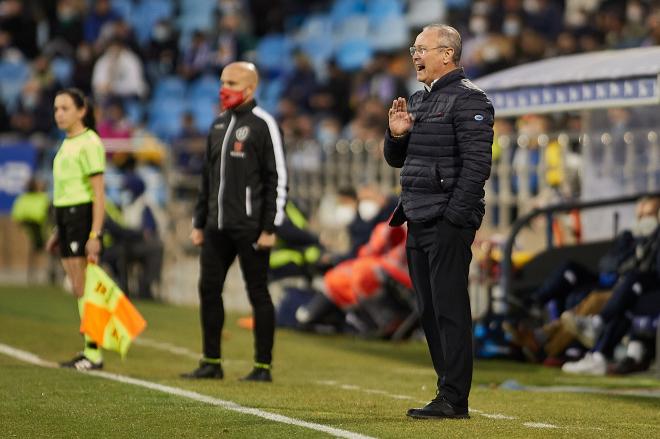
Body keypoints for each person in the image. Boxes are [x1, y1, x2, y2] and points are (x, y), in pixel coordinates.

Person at [384, 24, 493, 419]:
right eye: (414, 48)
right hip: (417, 214)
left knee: (449, 308)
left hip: (446, 219)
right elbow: (399, 159)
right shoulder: (417, 99)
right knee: (428, 309)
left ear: (447, 54)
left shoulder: (470, 100)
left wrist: (454, 217)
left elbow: (478, 165)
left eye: (422, 49)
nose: (415, 55)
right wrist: (397, 137)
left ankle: (454, 398)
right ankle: (444, 392)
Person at [182, 61, 287, 382]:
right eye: (222, 80)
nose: (223, 87)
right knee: (209, 289)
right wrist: (199, 222)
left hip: (252, 227)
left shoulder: (263, 124)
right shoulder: (216, 124)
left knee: (258, 293)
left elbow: (277, 178)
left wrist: (270, 227)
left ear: (250, 88)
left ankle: (262, 367)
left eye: (231, 82)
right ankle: (211, 362)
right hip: (216, 227)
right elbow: (207, 179)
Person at [45, 88, 106, 370]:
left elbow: (98, 194)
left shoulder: (90, 142)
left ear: (81, 111)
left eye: (65, 108)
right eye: (56, 109)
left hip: (81, 215)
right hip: (65, 216)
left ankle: (93, 352)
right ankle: (89, 350)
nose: (59, 114)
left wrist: (95, 234)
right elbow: (64, 189)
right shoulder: (66, 143)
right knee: (77, 287)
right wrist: (58, 230)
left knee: (84, 285)